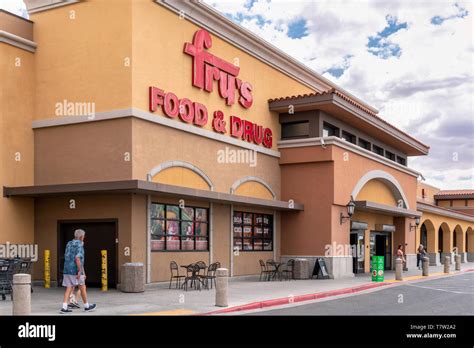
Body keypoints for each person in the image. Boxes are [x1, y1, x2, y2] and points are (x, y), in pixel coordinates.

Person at [60, 229, 96, 314]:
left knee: (69, 288)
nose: (84, 238)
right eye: (84, 236)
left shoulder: (69, 243)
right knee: (82, 287)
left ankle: (64, 307)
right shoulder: (80, 245)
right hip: (75, 270)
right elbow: (77, 258)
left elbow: (67, 255)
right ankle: (87, 306)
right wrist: (80, 271)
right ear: (81, 237)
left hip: (66, 269)